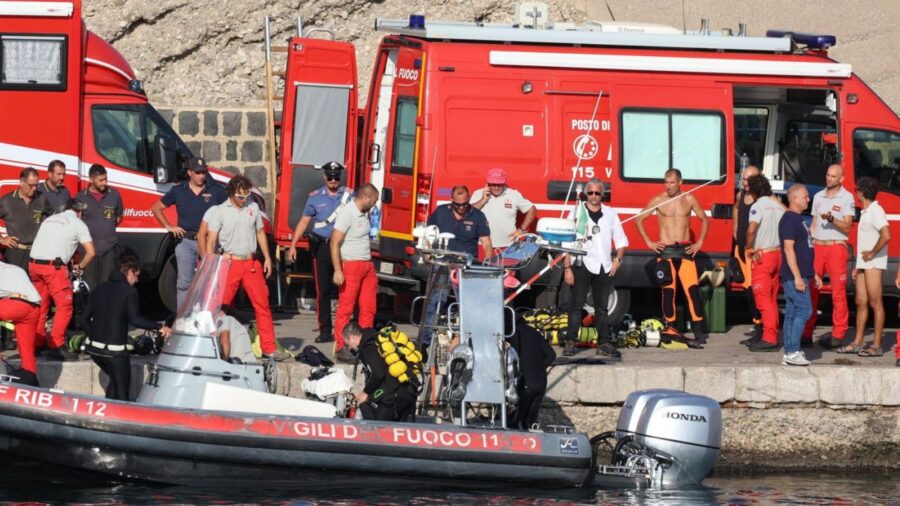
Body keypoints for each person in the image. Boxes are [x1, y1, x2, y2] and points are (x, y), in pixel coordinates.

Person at [202, 175, 289, 361]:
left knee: (263, 305)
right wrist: (211, 265)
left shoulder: (253, 207)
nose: (244, 200)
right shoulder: (219, 211)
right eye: (241, 197)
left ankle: (268, 348)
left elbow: (259, 233)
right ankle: (211, 342)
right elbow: (211, 240)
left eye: (246, 196)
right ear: (232, 193)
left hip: (250, 262)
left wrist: (267, 257)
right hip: (229, 262)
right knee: (219, 306)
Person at [634, 168, 709, 343]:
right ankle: (671, 330)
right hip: (666, 251)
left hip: (684, 250)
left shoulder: (689, 199)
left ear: (680, 182)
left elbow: (704, 219)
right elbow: (639, 219)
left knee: (693, 291)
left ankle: (699, 333)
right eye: (666, 182)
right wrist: (649, 242)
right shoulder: (658, 200)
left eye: (672, 182)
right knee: (669, 293)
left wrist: (699, 243)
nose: (668, 186)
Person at [81, 257, 171, 400]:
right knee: (123, 394)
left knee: (115, 382)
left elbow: (83, 321)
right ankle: (118, 417)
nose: (137, 280)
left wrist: (95, 337)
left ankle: (107, 412)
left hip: (95, 352)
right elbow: (135, 319)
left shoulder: (99, 288)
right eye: (137, 275)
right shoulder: (129, 292)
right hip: (115, 354)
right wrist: (160, 326)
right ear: (130, 272)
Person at [287, 162, 354, 344]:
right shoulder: (315, 197)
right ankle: (325, 330)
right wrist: (293, 245)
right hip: (322, 247)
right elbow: (303, 221)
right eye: (330, 177)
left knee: (346, 289)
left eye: (336, 177)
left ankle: (346, 330)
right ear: (325, 177)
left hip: (343, 246)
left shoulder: (350, 195)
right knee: (322, 289)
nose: (333, 180)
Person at [562, 178, 628, 358]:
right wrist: (567, 268)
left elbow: (621, 240)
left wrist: (618, 260)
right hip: (581, 263)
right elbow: (566, 242)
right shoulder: (576, 212)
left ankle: (604, 343)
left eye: (597, 193)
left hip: (603, 265)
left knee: (602, 308)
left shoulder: (611, 214)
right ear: (585, 194)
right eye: (590, 192)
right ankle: (571, 342)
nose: (593, 196)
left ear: (602, 195)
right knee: (576, 306)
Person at [151, 157, 227, 310]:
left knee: (212, 282)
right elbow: (156, 208)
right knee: (184, 283)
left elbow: (228, 210)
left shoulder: (216, 190)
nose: (202, 176)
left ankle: (211, 317)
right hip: (185, 241)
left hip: (208, 240)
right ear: (189, 173)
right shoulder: (178, 190)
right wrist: (169, 226)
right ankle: (183, 320)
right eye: (198, 172)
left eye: (204, 172)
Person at [421, 185, 492, 345]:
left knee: (466, 304)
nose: (460, 208)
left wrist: (487, 264)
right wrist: (427, 251)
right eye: (457, 205)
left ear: (468, 201)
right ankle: (426, 341)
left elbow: (487, 244)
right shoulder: (441, 212)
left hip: (465, 266)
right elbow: (429, 232)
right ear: (451, 201)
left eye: (464, 204)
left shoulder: (478, 216)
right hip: (442, 264)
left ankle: (468, 339)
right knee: (435, 302)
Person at [28, 199, 95, 360]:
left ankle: (37, 343)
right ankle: (56, 345)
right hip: (54, 268)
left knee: (41, 305)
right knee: (64, 306)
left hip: (34, 265)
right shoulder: (78, 223)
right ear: (80, 212)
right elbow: (91, 252)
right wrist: (81, 267)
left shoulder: (49, 219)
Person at [837, 177, 890, 357]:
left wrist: (873, 253)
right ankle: (858, 342)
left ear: (861, 192)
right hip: (864, 264)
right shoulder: (867, 211)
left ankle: (877, 345)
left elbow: (886, 235)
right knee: (860, 302)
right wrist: (858, 265)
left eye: (857, 190)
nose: (856, 193)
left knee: (876, 302)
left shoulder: (876, 210)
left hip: (873, 263)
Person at [803, 164, 854, 344]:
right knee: (811, 289)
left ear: (841, 179)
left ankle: (838, 334)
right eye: (827, 175)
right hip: (818, 246)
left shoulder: (847, 197)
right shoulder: (818, 196)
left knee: (838, 292)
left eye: (833, 176)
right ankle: (807, 333)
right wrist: (808, 241)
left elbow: (848, 226)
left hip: (836, 247)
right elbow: (814, 223)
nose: (829, 178)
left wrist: (832, 219)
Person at [331, 183, 380, 362]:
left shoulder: (364, 214)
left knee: (368, 308)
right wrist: (338, 269)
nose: (375, 205)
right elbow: (334, 242)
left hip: (366, 264)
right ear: (366, 198)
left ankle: (365, 344)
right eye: (374, 201)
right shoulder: (348, 213)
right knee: (346, 308)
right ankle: (341, 346)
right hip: (351, 265)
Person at [778, 184, 821, 367]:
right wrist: (797, 277)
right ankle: (793, 350)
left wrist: (814, 273)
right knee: (805, 310)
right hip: (794, 276)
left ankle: (790, 351)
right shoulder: (789, 220)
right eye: (805, 196)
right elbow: (789, 250)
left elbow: (805, 249)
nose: (808, 199)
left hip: (803, 274)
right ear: (795, 198)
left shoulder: (799, 220)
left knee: (793, 311)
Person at [342, 322, 418, 422]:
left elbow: (378, 374)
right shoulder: (376, 339)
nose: (350, 348)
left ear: (352, 338)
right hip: (408, 389)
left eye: (348, 344)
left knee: (370, 414)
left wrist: (365, 393)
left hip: (396, 395)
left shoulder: (367, 349)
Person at [744, 175, 785, 352]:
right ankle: (772, 334)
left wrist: (748, 247)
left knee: (763, 300)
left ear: (753, 191)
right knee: (772, 299)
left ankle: (769, 338)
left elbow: (752, 229)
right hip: (778, 254)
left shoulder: (757, 206)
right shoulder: (778, 206)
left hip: (763, 256)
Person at [75, 164, 123, 291]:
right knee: (89, 286)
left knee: (106, 287)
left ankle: (103, 311)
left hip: (108, 249)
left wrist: (105, 230)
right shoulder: (80, 197)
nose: (104, 183)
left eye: (106, 179)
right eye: (101, 180)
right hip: (87, 250)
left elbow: (118, 217)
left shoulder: (114, 195)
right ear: (91, 179)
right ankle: (90, 311)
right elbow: (76, 221)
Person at [509, 315, 556, 430]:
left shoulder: (514, 333)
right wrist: (539, 367)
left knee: (515, 421)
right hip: (540, 383)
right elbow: (551, 354)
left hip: (525, 382)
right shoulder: (535, 332)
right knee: (530, 422)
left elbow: (515, 354)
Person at [733, 166, 763, 345]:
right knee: (747, 290)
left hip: (754, 252)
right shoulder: (741, 196)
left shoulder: (762, 199)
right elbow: (736, 208)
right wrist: (734, 228)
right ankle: (757, 326)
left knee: (756, 292)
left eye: (747, 180)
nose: (744, 182)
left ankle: (762, 329)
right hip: (741, 250)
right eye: (743, 179)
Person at [470, 167, 536, 249]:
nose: (496, 187)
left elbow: (532, 209)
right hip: (481, 245)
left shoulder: (513, 194)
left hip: (507, 245)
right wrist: (483, 200)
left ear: (504, 182)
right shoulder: (478, 193)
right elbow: (468, 213)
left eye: (499, 184)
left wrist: (521, 230)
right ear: (488, 183)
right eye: (493, 184)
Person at [0, 167, 53, 269]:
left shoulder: (42, 198)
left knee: (34, 285)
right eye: (31, 185)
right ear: (21, 183)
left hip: (37, 253)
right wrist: (2, 240)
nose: (34, 189)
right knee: (14, 284)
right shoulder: (7, 201)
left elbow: (54, 219)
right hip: (15, 254)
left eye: (36, 185)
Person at [0, 260, 42, 385]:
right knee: (27, 350)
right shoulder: (14, 267)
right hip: (34, 308)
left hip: (15, 304)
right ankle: (31, 383)